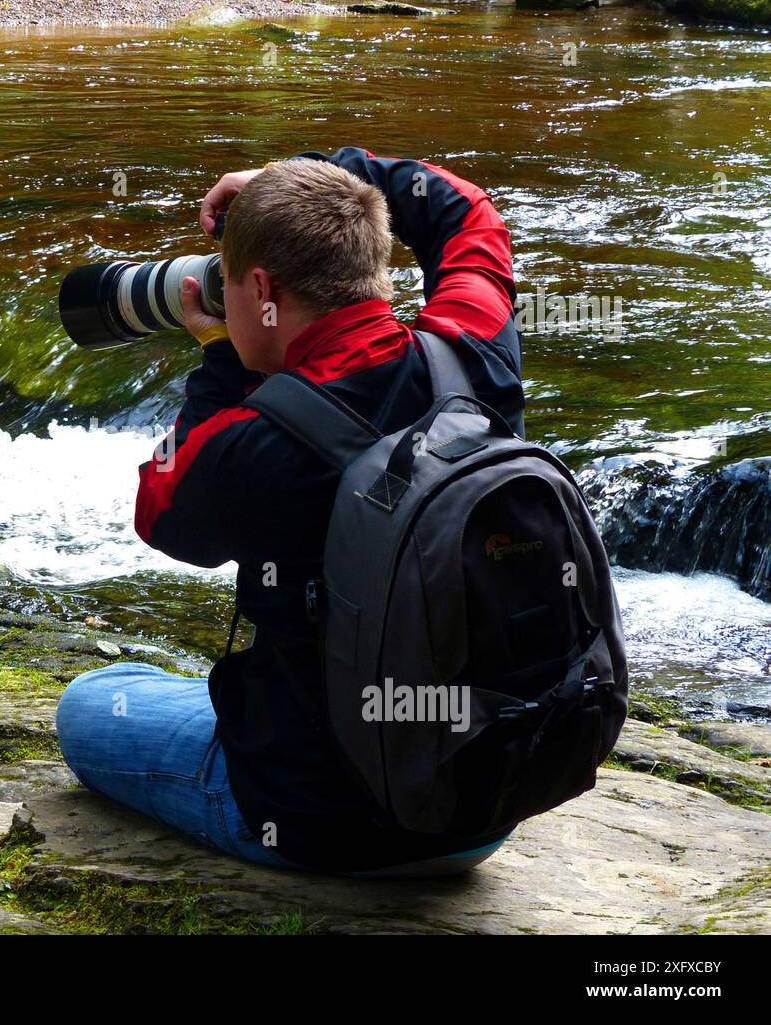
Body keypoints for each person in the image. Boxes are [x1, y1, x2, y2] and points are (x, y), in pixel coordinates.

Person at [55, 149, 525, 875]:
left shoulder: (254, 442)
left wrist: (222, 361)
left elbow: (159, 507)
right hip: (483, 808)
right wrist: (320, 172)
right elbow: (469, 211)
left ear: (263, 287)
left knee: (91, 703)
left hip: (319, 822)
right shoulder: (471, 352)